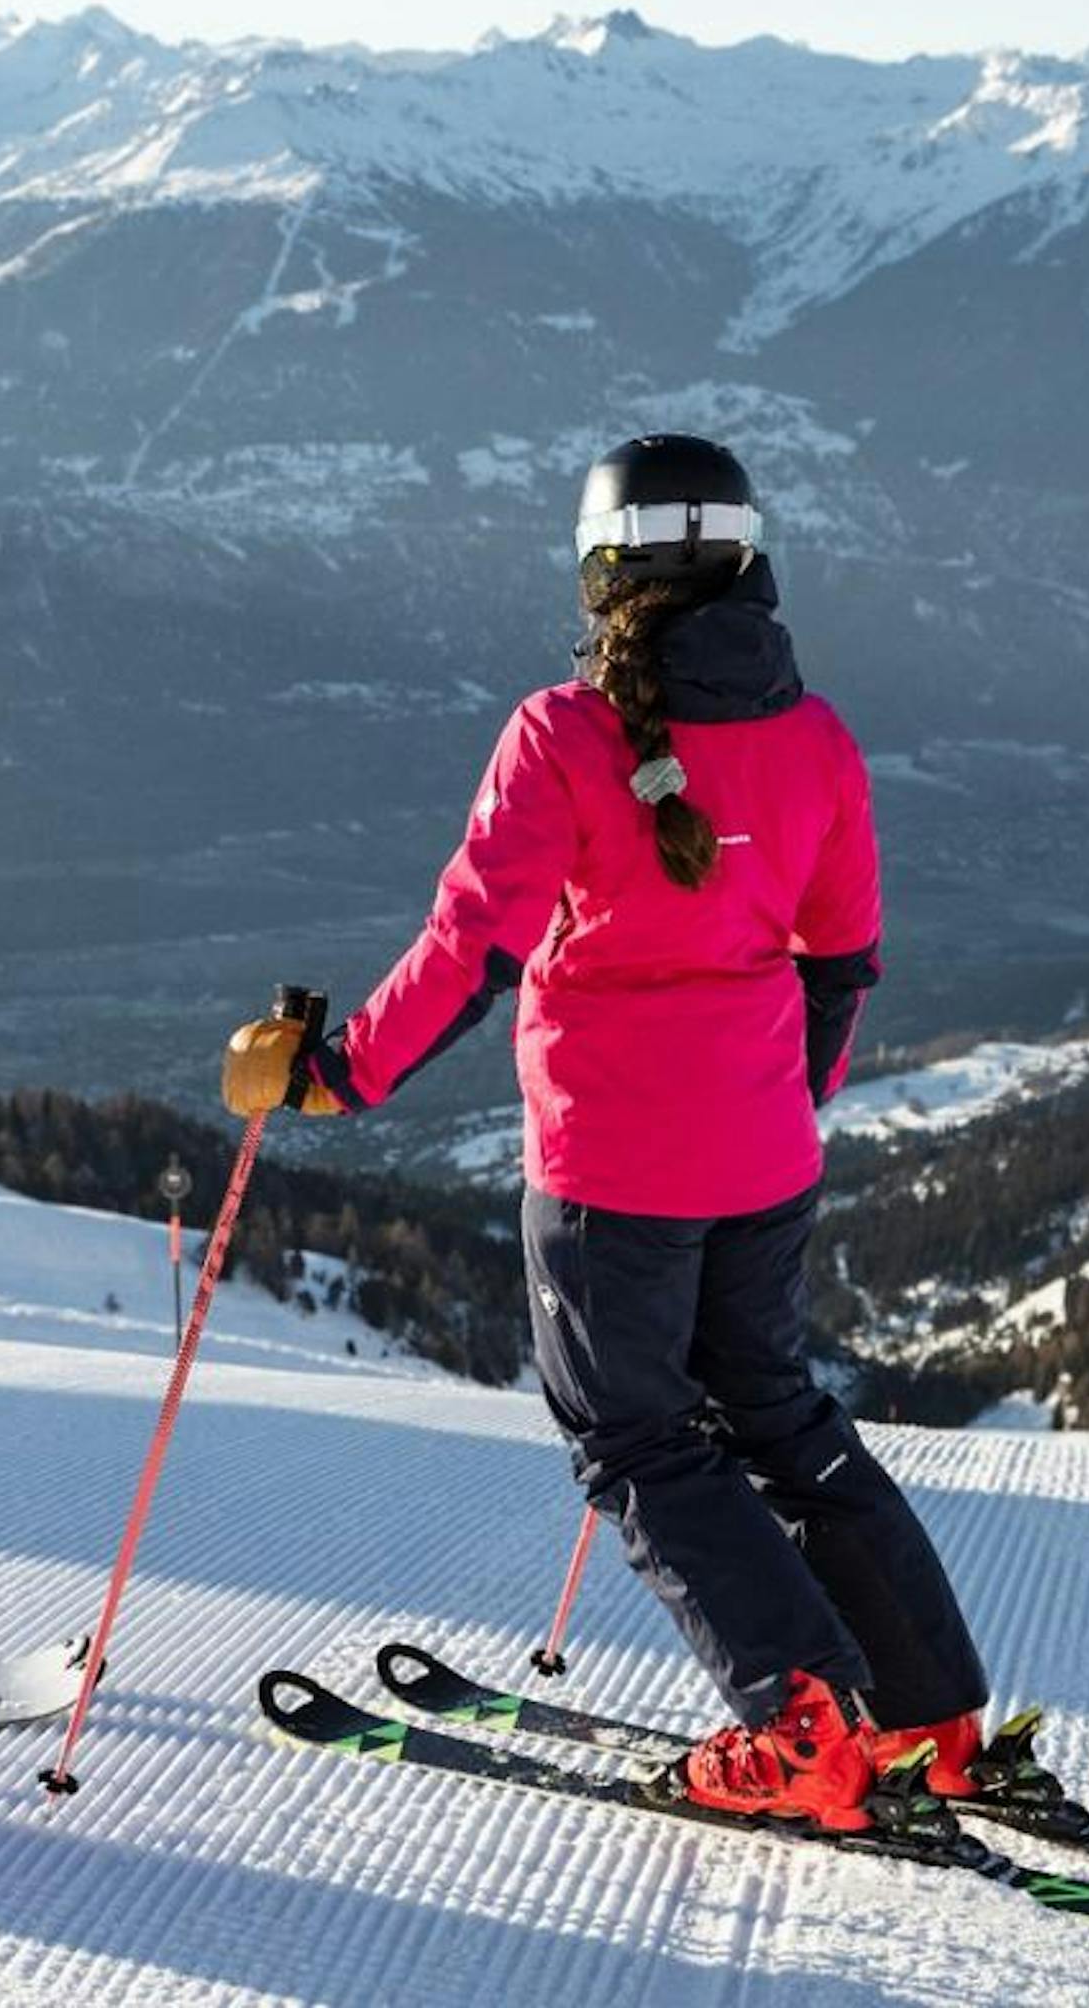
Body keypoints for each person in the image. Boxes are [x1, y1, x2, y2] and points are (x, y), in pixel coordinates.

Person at [223, 434, 987, 1831]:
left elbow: (473, 948)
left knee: (635, 1442)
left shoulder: (561, 737)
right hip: (763, 1162)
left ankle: (801, 1722)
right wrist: (773, 1106)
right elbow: (843, 960)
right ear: (747, 557)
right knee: (780, 1418)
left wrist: (339, 1074)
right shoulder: (815, 738)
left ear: (601, 569)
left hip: (613, 1174)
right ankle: (930, 1713)